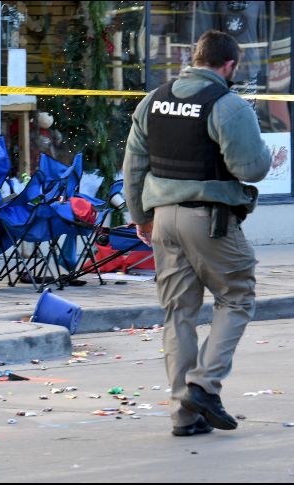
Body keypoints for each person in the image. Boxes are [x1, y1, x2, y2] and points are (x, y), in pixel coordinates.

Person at [122, 30, 271, 437]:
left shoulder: (154, 101)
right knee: (237, 297)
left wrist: (140, 216)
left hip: (163, 219)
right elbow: (250, 169)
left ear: (194, 58)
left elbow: (133, 166)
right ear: (229, 65)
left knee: (179, 314)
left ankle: (184, 415)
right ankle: (204, 387)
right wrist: (266, 155)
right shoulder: (227, 104)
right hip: (209, 220)